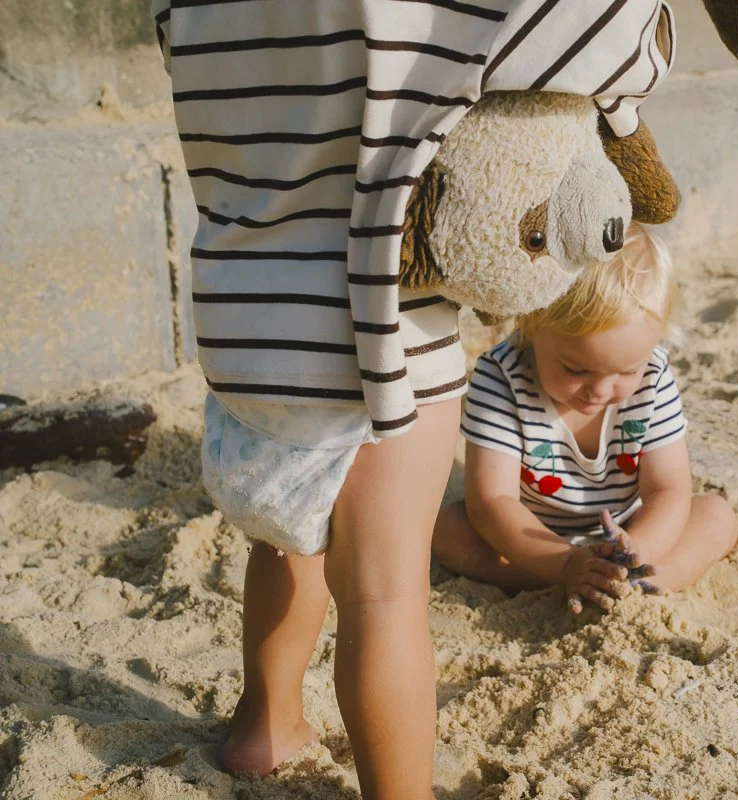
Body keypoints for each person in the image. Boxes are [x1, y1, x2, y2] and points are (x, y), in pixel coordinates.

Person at [150, 1, 677, 797]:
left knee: (285, 541)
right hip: (385, 320)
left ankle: (265, 722)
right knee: (384, 592)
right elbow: (580, 30)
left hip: (247, 320)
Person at [434, 223, 738, 612]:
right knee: (449, 531)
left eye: (626, 371)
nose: (599, 390)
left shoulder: (652, 375)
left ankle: (638, 583)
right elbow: (492, 502)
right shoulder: (501, 376)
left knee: (717, 516)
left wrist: (637, 549)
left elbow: (669, 490)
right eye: (576, 370)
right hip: (532, 540)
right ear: (530, 325)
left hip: (629, 533)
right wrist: (564, 562)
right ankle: (564, 581)